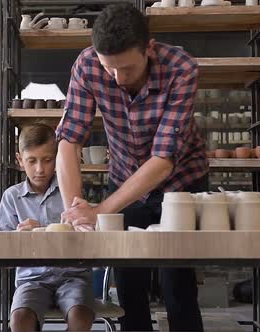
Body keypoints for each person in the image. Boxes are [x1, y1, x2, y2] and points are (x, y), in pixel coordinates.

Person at [56, 4, 208, 331]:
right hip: (125, 180)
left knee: (176, 284)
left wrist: (102, 210)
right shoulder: (87, 66)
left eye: (126, 68)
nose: (117, 78)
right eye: (109, 68)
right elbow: (69, 141)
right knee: (128, 284)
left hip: (181, 183)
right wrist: (76, 207)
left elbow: (163, 158)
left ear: (149, 48)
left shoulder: (181, 67)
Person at [0, 123, 95, 332]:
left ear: (58, 158)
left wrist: (48, 228)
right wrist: (19, 236)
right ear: (20, 160)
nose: (40, 169)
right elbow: (3, 247)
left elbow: (91, 236)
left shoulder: (73, 190)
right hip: (31, 279)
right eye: (32, 161)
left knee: (81, 317)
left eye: (48, 160)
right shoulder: (12, 197)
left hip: (73, 275)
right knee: (20, 320)